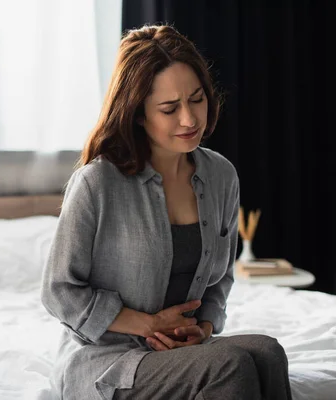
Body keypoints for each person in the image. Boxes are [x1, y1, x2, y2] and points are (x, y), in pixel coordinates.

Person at [40, 24, 292, 400]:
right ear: (139, 113)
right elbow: (59, 291)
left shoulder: (221, 176)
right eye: (170, 109)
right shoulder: (97, 183)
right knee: (230, 366)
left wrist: (204, 327)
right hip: (106, 359)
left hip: (184, 352)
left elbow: (219, 280)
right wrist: (149, 325)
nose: (189, 120)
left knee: (268, 353)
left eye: (197, 100)